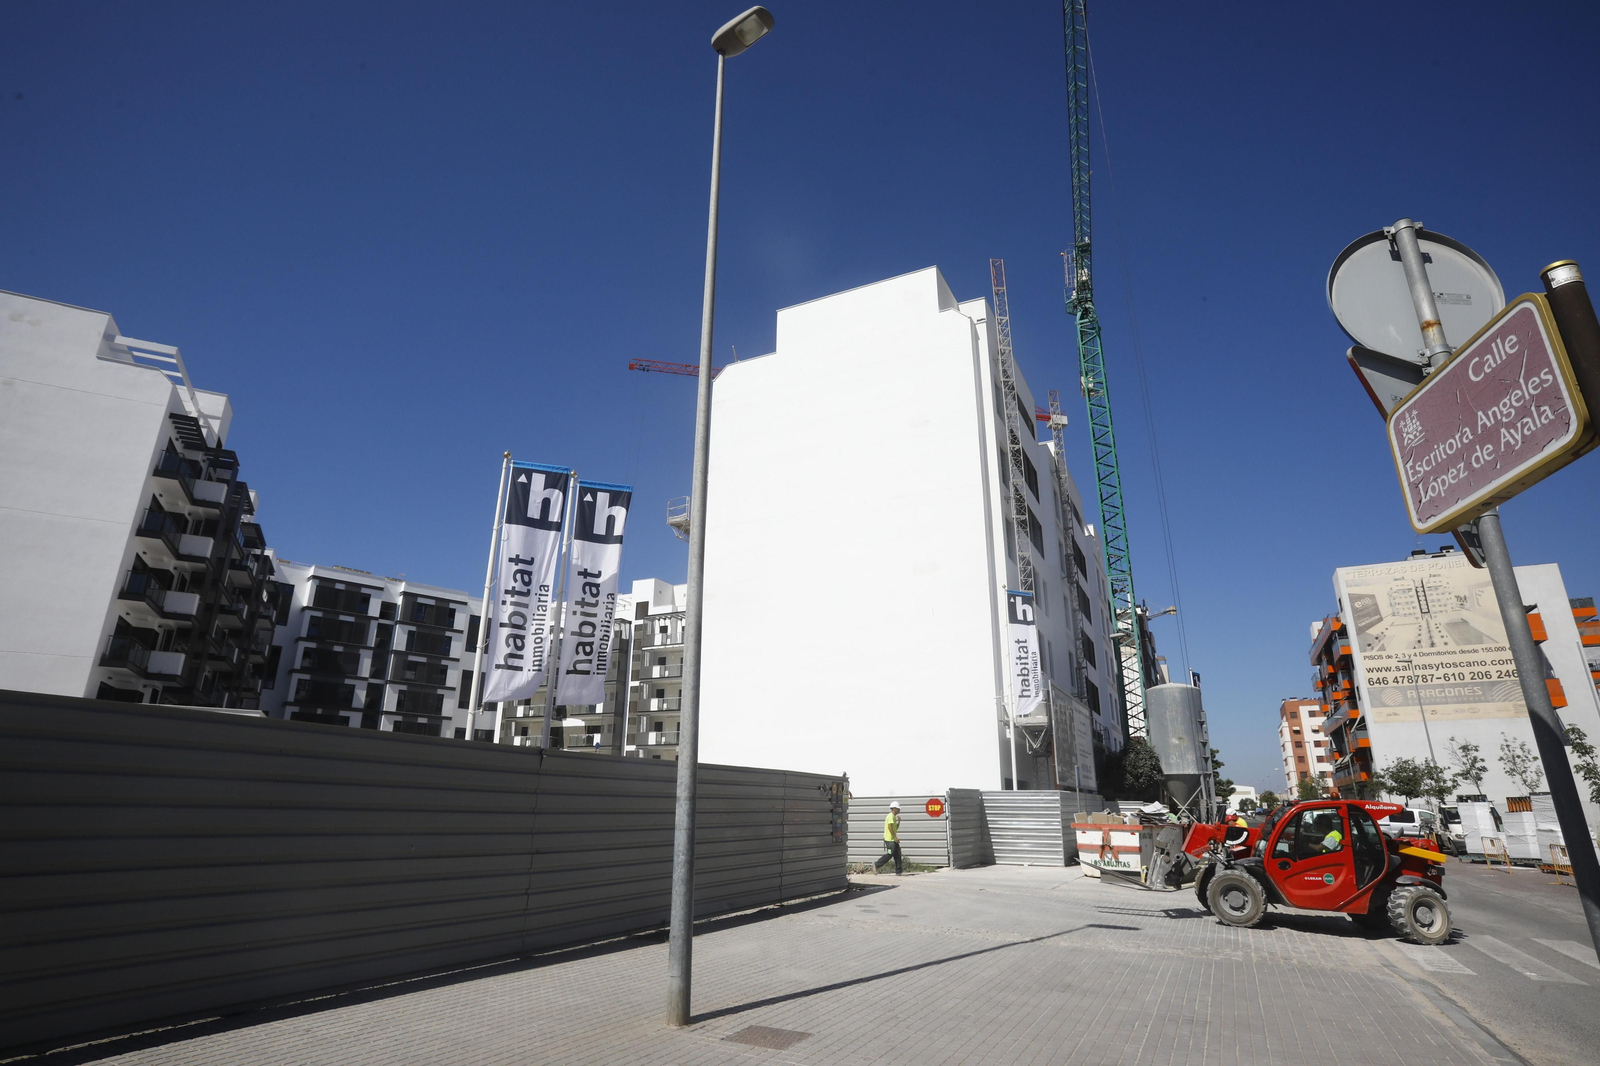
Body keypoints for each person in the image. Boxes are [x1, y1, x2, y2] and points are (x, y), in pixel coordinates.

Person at [882, 801, 903, 875]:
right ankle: (876, 865)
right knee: (889, 854)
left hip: (893, 840)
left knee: (898, 854)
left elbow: (894, 829)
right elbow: (889, 827)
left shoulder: (893, 817)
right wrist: (895, 837)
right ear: (894, 808)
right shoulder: (890, 816)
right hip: (890, 840)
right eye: (898, 809)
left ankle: (899, 871)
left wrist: (898, 822)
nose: (899, 810)